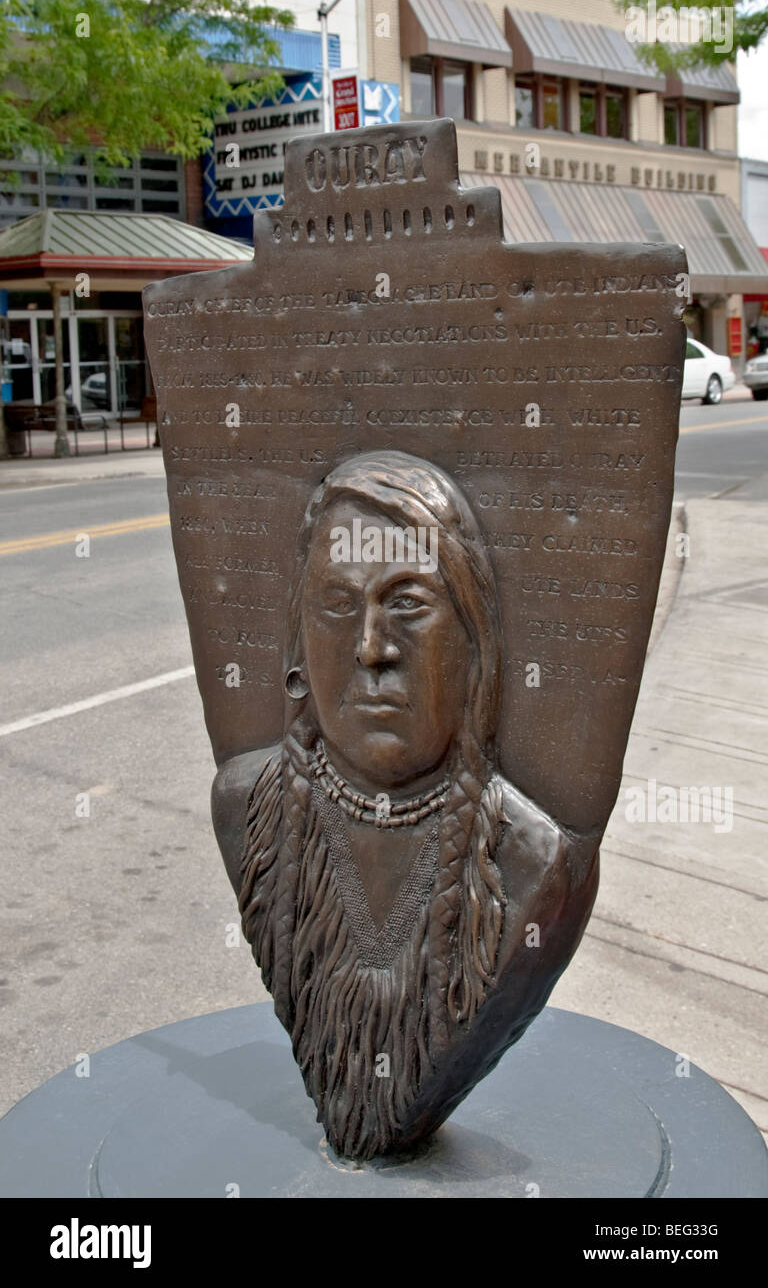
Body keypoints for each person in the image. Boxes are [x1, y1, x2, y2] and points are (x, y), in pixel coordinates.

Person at [212, 451, 597, 1160]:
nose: (370, 648)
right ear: (298, 639)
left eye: (408, 604)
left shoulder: (532, 860)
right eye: (336, 606)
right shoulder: (246, 805)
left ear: (474, 638)